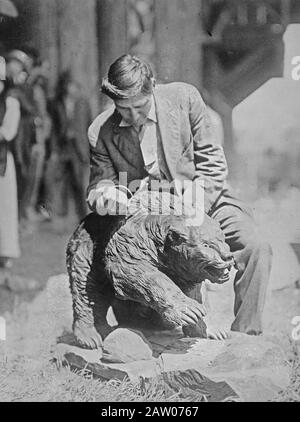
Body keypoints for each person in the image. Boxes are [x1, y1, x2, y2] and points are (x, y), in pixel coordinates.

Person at [87, 54, 272, 336]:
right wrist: (106, 196)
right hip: (152, 222)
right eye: (123, 110)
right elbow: (100, 184)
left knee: (256, 245)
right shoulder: (100, 130)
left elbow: (212, 164)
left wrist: (195, 214)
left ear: (152, 86)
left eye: (139, 107)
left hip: (205, 201)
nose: (134, 117)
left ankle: (246, 337)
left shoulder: (184, 98)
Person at [0, 76, 38, 291]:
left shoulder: (11, 104)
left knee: (4, 211)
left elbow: (7, 132)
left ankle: (5, 263)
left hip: (2, 165)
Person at [49, 71, 91, 222]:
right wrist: (54, 149)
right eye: (69, 85)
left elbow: (89, 125)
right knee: (59, 182)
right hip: (63, 146)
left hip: (78, 148)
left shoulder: (83, 102)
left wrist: (90, 149)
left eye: (73, 85)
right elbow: (54, 128)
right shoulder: (57, 103)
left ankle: (82, 217)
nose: (72, 88)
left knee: (79, 183)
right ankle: (61, 216)